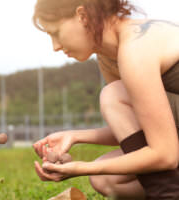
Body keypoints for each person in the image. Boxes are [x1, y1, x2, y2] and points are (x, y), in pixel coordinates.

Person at [32, 0, 179, 199]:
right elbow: (140, 124)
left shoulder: (135, 50)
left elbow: (165, 154)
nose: (55, 46)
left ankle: (166, 195)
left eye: (56, 33)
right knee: (107, 180)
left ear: (82, 16)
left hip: (169, 152)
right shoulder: (109, 56)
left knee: (113, 95)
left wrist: (83, 167)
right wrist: (75, 136)